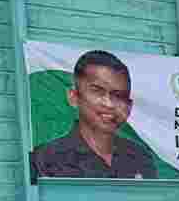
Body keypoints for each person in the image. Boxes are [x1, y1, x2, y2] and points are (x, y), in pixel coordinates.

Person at [31, 50, 157, 179]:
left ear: (129, 107)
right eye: (97, 91)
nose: (109, 104)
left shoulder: (141, 158)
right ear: (73, 97)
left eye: (119, 96)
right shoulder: (45, 159)